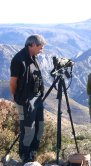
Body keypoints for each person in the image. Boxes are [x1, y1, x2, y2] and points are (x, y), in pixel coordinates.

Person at [9, 34, 46, 164]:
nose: (42, 50)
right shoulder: (19, 60)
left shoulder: (33, 58)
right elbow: (13, 82)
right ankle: (25, 156)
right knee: (28, 129)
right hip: (24, 101)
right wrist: (15, 97)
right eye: (40, 48)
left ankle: (33, 152)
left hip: (37, 99)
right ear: (32, 45)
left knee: (40, 127)